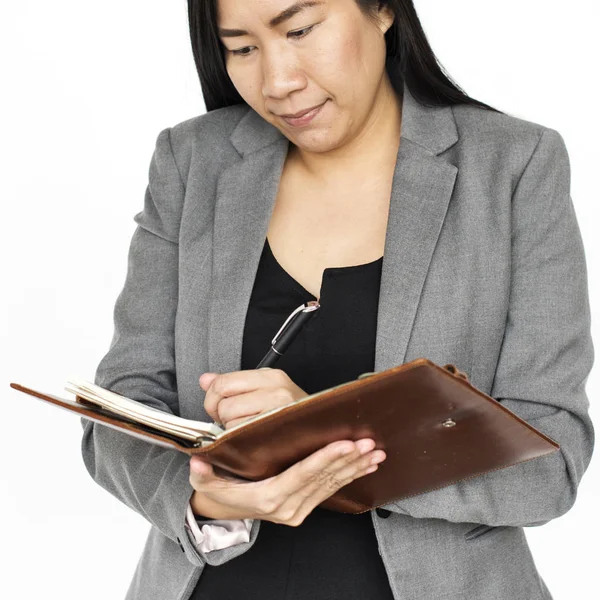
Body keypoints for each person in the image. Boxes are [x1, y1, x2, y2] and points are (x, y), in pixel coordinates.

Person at [80, 0, 595, 598]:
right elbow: (119, 408)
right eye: (241, 48)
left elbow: (550, 461)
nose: (277, 82)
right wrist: (200, 496)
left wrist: (321, 435)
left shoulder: (512, 165)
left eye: (300, 30)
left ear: (382, 10)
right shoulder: (193, 160)